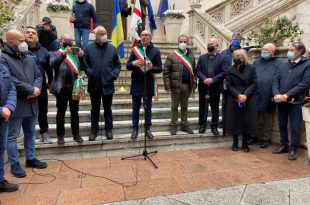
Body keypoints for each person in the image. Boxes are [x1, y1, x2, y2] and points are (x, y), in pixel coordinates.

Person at [0, 29, 47, 178]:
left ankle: (30, 158)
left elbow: (39, 75)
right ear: (11, 42)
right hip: (17, 103)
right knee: (12, 136)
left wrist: (36, 89)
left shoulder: (29, 57)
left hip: (32, 102)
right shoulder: (3, 58)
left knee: (31, 132)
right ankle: (14, 164)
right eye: (21, 41)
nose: (24, 43)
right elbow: (10, 80)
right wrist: (29, 89)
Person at [272, 42, 310, 160]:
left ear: (300, 51)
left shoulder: (307, 65)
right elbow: (275, 81)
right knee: (282, 124)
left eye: (292, 50)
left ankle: (293, 149)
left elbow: (305, 83)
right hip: (280, 100)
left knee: (295, 127)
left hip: (296, 102)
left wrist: (287, 95)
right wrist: (276, 93)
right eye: (289, 49)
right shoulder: (283, 65)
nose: (289, 52)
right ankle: (284, 145)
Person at [84, 26, 121, 141]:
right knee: (94, 110)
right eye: (101, 34)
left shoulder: (112, 48)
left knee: (107, 109)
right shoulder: (89, 48)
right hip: (94, 84)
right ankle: (93, 131)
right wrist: (90, 73)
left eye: (105, 33)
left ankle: (108, 130)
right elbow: (85, 64)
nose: (104, 35)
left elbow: (117, 65)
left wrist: (113, 75)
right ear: (96, 35)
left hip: (108, 84)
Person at [50, 34, 87, 145]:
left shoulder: (75, 54)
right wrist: (63, 55)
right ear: (61, 41)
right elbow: (53, 64)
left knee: (75, 112)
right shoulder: (55, 53)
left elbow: (83, 67)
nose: (68, 41)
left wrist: (81, 57)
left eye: (70, 40)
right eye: (66, 39)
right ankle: (60, 135)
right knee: (61, 112)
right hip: (62, 88)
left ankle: (76, 134)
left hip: (75, 87)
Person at [126, 30, 162, 140]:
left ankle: (147, 129)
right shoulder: (135, 50)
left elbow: (159, 68)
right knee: (135, 109)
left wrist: (152, 68)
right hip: (136, 83)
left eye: (146, 35)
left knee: (148, 109)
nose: (144, 37)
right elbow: (128, 65)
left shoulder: (156, 51)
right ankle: (135, 129)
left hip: (148, 84)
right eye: (142, 35)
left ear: (150, 37)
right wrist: (133, 63)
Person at [225, 49, 258, 152]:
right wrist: (238, 95)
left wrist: (245, 95)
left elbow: (254, 83)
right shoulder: (230, 69)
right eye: (235, 56)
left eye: (239, 56)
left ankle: (245, 143)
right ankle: (235, 142)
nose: (236, 58)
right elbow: (228, 85)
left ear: (244, 57)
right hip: (234, 98)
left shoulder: (251, 68)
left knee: (246, 121)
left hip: (248, 98)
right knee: (235, 121)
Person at [25, 26, 53, 144]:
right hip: (24, 88)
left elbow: (49, 69)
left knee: (43, 111)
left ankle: (44, 132)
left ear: (37, 37)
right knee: (25, 112)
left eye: (33, 33)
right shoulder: (19, 50)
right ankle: (26, 135)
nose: (30, 34)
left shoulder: (44, 52)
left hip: (41, 87)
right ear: (23, 35)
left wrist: (50, 82)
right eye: (28, 32)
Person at [163, 34, 196, 135]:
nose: (183, 43)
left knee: (185, 107)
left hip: (187, 85)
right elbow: (166, 71)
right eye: (181, 41)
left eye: (185, 41)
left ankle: (184, 125)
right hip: (175, 85)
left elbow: (194, 71)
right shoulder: (172, 55)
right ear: (178, 43)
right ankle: (173, 125)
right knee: (174, 107)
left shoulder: (191, 55)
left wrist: (194, 85)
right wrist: (167, 86)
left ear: (187, 43)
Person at [253, 43, 283, 148]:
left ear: (272, 52)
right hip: (256, 93)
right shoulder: (256, 62)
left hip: (269, 94)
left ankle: (265, 139)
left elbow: (280, 78)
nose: (263, 51)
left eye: (266, 50)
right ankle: (253, 136)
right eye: (263, 49)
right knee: (254, 116)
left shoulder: (279, 63)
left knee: (267, 118)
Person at [196, 37, 226, 135]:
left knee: (215, 108)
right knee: (202, 107)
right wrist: (204, 79)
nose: (210, 45)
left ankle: (214, 126)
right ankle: (202, 125)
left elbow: (224, 72)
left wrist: (213, 80)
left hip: (215, 87)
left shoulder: (222, 57)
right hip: (203, 87)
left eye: (212, 44)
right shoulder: (202, 57)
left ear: (217, 46)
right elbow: (198, 70)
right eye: (209, 43)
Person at [0, 64, 19, 192]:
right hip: (2, 113)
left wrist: (9, 107)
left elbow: (12, 88)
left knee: (1, 149)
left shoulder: (3, 68)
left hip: (3, 118)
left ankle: (0, 180)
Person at [221, 32, 242, 136]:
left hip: (239, 86)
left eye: (238, 39)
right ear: (231, 39)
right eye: (234, 38)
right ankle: (225, 127)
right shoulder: (224, 53)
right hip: (227, 84)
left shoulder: (243, 52)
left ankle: (236, 128)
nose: (236, 40)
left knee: (237, 107)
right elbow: (221, 68)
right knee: (225, 106)